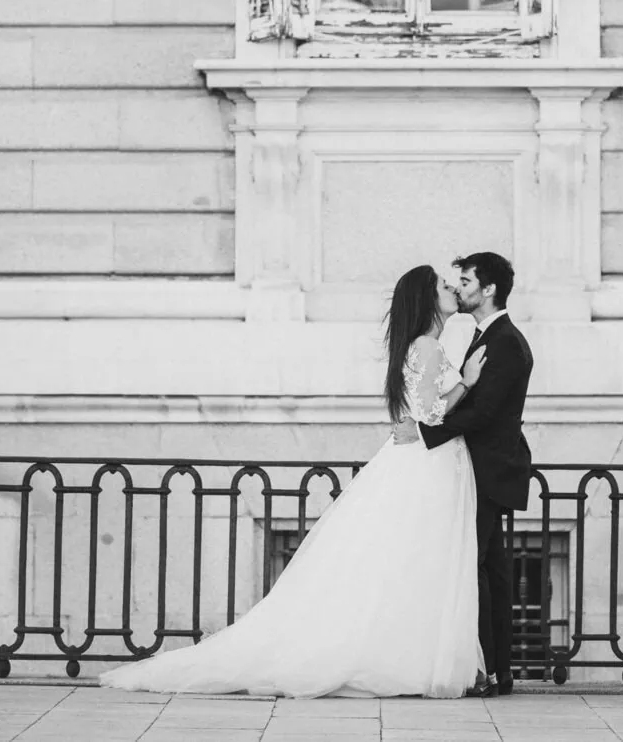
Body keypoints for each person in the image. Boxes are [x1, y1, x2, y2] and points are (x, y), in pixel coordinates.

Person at [99, 265, 486, 698]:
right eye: (443, 285)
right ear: (426, 298)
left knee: (402, 560)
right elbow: (432, 415)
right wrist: (467, 385)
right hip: (427, 464)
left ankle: (401, 653)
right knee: (416, 558)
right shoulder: (429, 346)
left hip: (417, 460)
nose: (451, 288)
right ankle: (406, 657)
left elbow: (418, 412)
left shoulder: (414, 346)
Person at [394, 252, 533, 698]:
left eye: (466, 281)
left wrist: (424, 432)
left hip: (489, 468)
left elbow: (486, 412)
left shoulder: (506, 341)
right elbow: (458, 400)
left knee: (479, 572)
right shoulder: (481, 336)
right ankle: (494, 671)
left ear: (488, 289)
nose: (459, 287)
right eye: (452, 283)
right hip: (475, 467)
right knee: (485, 571)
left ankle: (489, 670)